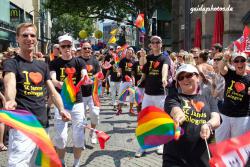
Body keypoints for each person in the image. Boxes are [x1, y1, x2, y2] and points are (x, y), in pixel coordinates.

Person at [3, 23, 71, 167]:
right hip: (23, 123)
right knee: (18, 164)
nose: (29, 38)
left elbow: (53, 91)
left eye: (32, 35)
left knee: (39, 164)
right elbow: (10, 82)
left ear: (36, 39)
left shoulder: (42, 66)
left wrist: (61, 109)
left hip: (43, 124)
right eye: (25, 35)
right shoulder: (12, 63)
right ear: (17, 38)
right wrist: (10, 100)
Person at [163, 64, 221, 167]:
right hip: (175, 157)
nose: (185, 79)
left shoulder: (208, 98)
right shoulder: (173, 98)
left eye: (189, 75)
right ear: (178, 83)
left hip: (201, 157)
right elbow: (175, 110)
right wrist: (179, 116)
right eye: (181, 77)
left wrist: (208, 125)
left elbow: (216, 118)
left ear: (198, 77)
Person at [49, 34, 86, 167]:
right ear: (59, 48)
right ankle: (62, 162)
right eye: (63, 46)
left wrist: (84, 78)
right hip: (61, 103)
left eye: (68, 45)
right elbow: (52, 78)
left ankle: (76, 163)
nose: (66, 48)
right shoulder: (54, 63)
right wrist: (57, 83)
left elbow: (83, 73)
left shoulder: (79, 61)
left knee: (78, 135)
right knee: (60, 137)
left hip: (77, 102)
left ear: (72, 47)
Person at [135, 36, 170, 157]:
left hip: (160, 94)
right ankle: (142, 145)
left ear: (161, 44)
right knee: (144, 120)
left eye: (158, 42)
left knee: (160, 120)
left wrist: (164, 78)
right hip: (148, 94)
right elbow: (142, 67)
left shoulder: (165, 58)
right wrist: (143, 56)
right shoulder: (148, 57)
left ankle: (160, 144)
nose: (155, 44)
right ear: (150, 45)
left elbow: (165, 68)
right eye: (153, 42)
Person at [216, 51, 250, 142]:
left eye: (242, 60)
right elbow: (220, 67)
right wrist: (225, 58)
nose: (240, 63)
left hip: (242, 118)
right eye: (237, 61)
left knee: (237, 146)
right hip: (225, 115)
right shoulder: (230, 74)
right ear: (233, 63)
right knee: (221, 143)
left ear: (246, 62)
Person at [78, 41, 101, 144]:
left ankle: (92, 133)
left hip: (92, 94)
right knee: (81, 118)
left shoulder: (94, 61)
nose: (87, 50)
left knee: (95, 115)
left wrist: (92, 77)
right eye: (85, 48)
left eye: (88, 48)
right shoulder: (77, 61)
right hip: (80, 95)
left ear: (91, 50)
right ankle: (82, 138)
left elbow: (99, 73)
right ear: (81, 49)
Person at [116, 47, 136, 115]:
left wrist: (133, 79)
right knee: (121, 95)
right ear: (126, 53)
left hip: (131, 81)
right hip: (124, 81)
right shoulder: (122, 60)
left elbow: (134, 72)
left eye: (130, 53)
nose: (129, 54)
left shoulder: (134, 61)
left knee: (132, 96)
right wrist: (119, 73)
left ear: (132, 54)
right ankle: (119, 109)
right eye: (128, 52)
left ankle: (131, 109)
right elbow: (119, 69)